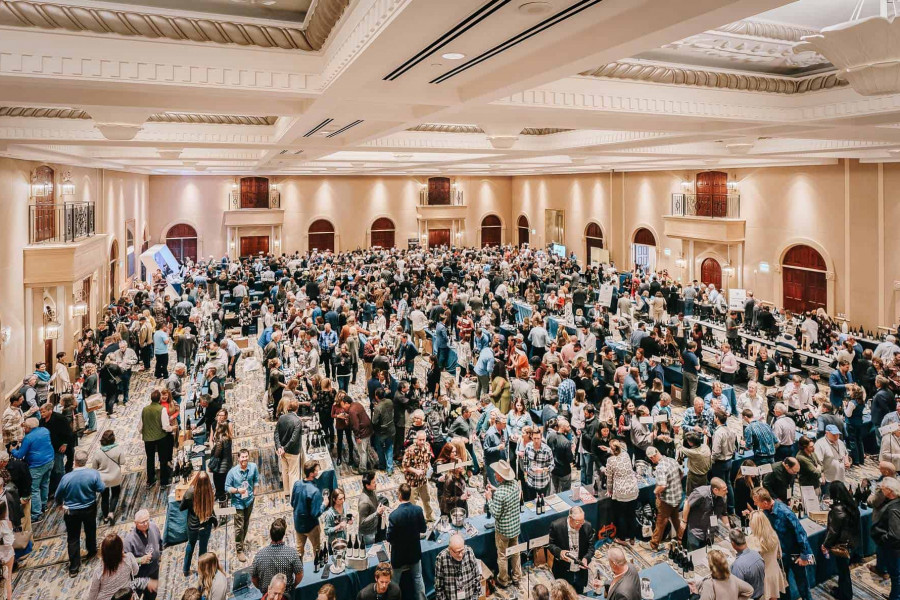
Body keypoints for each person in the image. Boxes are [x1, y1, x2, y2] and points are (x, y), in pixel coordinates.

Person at [752, 487, 813, 600]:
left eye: (756, 502)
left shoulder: (785, 513)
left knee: (802, 583)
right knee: (783, 584)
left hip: (795, 554)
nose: (755, 504)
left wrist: (805, 556)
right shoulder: (765, 512)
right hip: (780, 555)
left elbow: (801, 534)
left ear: (765, 502)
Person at [55, 448, 104, 577]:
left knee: (73, 538)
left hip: (71, 511)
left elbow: (58, 495)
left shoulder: (66, 478)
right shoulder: (93, 474)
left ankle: (74, 567)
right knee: (90, 529)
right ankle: (92, 550)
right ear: (86, 461)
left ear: (74, 461)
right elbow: (101, 488)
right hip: (89, 507)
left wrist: (60, 504)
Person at [386, 483, 427, 600]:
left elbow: (389, 538)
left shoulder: (394, 515)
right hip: (414, 552)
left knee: (394, 582)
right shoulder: (418, 510)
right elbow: (423, 529)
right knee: (418, 578)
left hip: (399, 555)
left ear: (399, 496)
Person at [486, 459, 522, 589]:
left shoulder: (500, 493)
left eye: (496, 473)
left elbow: (495, 513)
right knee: (516, 552)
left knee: (502, 555)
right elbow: (506, 496)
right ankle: (517, 577)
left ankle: (503, 580)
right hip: (515, 527)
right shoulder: (514, 484)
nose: (494, 475)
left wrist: (489, 498)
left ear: (501, 476)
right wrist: (496, 489)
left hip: (503, 531)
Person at [822, 481, 859, 600]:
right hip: (852, 542)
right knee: (844, 570)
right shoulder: (851, 504)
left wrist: (825, 545)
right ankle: (843, 590)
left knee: (843, 572)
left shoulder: (838, 510)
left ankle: (845, 595)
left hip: (842, 545)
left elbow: (833, 531)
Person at [11, 417, 54, 522]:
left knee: (34, 489)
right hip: (49, 460)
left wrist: (12, 450)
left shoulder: (28, 438)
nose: (24, 428)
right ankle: (43, 505)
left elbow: (20, 454)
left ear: (29, 428)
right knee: (45, 484)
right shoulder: (45, 430)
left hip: (36, 465)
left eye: (25, 426)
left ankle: (36, 514)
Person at [88, 533, 150, 600]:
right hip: (127, 596)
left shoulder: (99, 571)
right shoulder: (129, 558)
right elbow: (135, 571)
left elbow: (93, 593)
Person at [548, 506, 595, 593]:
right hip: (563, 571)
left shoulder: (587, 526)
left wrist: (586, 559)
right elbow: (551, 545)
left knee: (578, 594)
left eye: (582, 522)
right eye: (578, 522)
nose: (581, 525)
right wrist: (560, 552)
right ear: (570, 518)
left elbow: (591, 548)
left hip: (580, 572)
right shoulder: (556, 526)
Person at [251, 517, 303, 596]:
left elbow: (254, 578)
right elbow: (299, 574)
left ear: (270, 534)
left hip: (268, 595)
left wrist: (263, 589)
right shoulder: (291, 553)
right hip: (286, 594)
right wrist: (293, 585)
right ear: (283, 535)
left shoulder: (259, 555)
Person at [644, 446, 683, 551]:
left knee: (661, 521)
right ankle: (682, 540)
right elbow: (681, 473)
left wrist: (655, 491)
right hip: (677, 496)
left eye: (651, 459)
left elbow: (662, 485)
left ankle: (653, 544)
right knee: (676, 519)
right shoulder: (671, 460)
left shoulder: (660, 467)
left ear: (652, 457)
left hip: (667, 499)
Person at [180, 471, 218, 576]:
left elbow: (181, 507)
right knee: (203, 548)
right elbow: (211, 509)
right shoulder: (210, 491)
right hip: (206, 525)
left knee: (191, 545)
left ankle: (186, 570)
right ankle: (201, 571)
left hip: (193, 526)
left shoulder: (190, 492)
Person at [225, 448, 259, 562]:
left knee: (246, 523)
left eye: (246, 457)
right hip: (238, 502)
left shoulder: (253, 467)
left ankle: (241, 542)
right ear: (238, 458)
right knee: (239, 527)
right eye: (242, 457)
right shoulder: (232, 472)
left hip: (249, 500)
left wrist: (254, 491)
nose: (244, 459)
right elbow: (227, 487)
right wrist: (237, 490)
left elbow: (256, 480)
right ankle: (239, 549)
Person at [747, 509, 788, 600]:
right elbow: (779, 555)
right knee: (773, 597)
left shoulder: (751, 540)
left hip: (761, 577)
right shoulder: (774, 535)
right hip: (774, 571)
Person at [605, 440, 639, 545]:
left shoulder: (610, 460)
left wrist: (609, 490)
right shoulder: (626, 455)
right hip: (633, 489)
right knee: (632, 515)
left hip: (621, 491)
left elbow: (609, 478)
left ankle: (622, 538)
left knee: (621, 516)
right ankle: (632, 537)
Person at [122, 509, 162, 600]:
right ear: (135, 523)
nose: (145, 524)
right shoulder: (129, 541)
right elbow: (125, 563)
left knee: (152, 595)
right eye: (142, 522)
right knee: (136, 597)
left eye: (147, 520)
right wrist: (140, 560)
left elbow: (160, 542)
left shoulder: (154, 527)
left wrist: (160, 555)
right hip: (139, 576)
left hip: (154, 571)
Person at [681, 479, 728, 551]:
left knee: (707, 553)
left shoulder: (723, 497)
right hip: (696, 530)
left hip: (710, 531)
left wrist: (728, 527)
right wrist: (684, 521)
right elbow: (687, 503)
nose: (727, 491)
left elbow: (724, 514)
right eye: (724, 490)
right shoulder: (701, 494)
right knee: (694, 554)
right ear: (716, 490)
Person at [140, 390, 173, 488]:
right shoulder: (161, 409)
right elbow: (165, 426)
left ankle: (150, 480)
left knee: (150, 459)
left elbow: (140, 427)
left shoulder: (144, 409)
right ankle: (164, 482)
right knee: (163, 459)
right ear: (159, 399)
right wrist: (172, 428)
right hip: (161, 438)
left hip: (148, 439)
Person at [434, 533, 482, 600]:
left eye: (462, 550)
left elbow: (477, 577)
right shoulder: (441, 558)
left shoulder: (469, 552)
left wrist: (475, 597)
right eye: (457, 552)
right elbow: (439, 587)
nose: (460, 555)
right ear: (450, 549)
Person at [91, 429, 123, 526]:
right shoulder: (118, 449)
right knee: (115, 495)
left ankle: (105, 517)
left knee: (104, 498)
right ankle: (111, 512)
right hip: (115, 477)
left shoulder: (98, 452)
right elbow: (123, 462)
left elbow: (94, 467)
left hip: (103, 479)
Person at [401, 430, 435, 523]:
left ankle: (429, 516)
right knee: (413, 502)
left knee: (426, 499)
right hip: (413, 481)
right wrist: (416, 471)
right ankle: (412, 521)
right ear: (416, 439)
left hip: (423, 479)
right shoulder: (410, 450)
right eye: (420, 440)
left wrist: (429, 467)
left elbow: (427, 460)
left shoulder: (427, 446)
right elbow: (405, 465)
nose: (422, 442)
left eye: (423, 439)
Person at [274, 398, 302, 497]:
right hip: (292, 451)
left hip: (282, 450)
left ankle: (286, 492)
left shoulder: (281, 418)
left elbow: (276, 433)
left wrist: (279, 447)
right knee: (293, 473)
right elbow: (294, 439)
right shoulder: (298, 421)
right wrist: (284, 448)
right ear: (297, 408)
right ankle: (293, 494)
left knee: (285, 471)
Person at [729, 528, 765, 600]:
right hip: (761, 595)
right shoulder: (756, 554)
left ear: (733, 544)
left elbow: (736, 590)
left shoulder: (738, 565)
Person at [815, 424, 850, 497]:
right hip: (828, 479)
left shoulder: (840, 442)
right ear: (827, 433)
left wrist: (847, 461)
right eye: (834, 435)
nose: (836, 436)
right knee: (827, 500)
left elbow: (846, 453)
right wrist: (822, 475)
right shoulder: (820, 444)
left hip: (840, 477)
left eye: (837, 434)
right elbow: (818, 462)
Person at [522, 427, 553, 500]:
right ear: (532, 437)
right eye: (534, 438)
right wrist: (526, 476)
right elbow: (525, 461)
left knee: (542, 504)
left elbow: (552, 466)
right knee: (531, 503)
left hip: (542, 482)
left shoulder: (547, 450)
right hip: (530, 482)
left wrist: (542, 470)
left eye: (538, 438)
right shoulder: (528, 447)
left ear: (541, 437)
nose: (536, 440)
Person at [358, 471, 386, 545]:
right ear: (367, 485)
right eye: (373, 482)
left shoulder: (371, 491)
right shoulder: (364, 502)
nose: (376, 484)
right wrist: (376, 513)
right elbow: (362, 522)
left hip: (375, 527)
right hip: (368, 534)